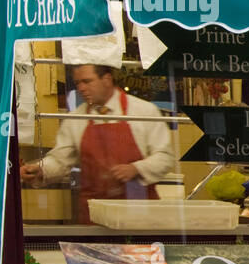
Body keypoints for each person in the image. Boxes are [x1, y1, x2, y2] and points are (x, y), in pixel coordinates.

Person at [20, 64, 177, 223]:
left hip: (139, 214)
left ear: (107, 79)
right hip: (95, 216)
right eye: (78, 83)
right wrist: (40, 169)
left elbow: (165, 157)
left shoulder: (144, 111)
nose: (81, 88)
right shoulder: (76, 118)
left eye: (87, 81)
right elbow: (60, 160)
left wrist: (136, 168)